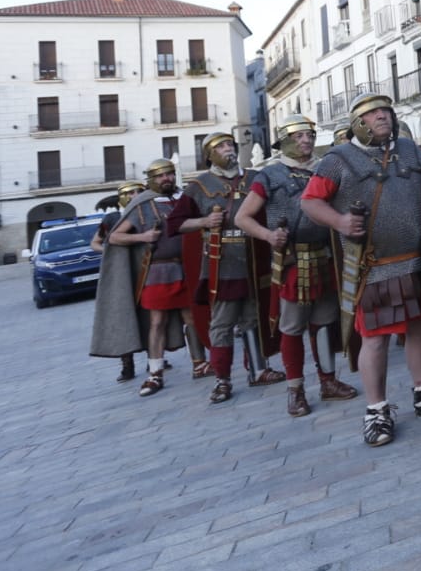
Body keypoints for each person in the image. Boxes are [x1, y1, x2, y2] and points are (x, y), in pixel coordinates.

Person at [302, 94, 421, 447]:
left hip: (418, 259)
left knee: (420, 327)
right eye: (373, 113)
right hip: (375, 265)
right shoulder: (338, 159)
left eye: (385, 111)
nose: (382, 117)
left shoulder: (409, 151)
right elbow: (310, 201)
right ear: (358, 122)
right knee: (375, 339)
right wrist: (341, 221)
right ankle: (376, 410)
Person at [235, 114, 358, 418]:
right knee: (292, 328)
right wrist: (268, 235)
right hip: (293, 261)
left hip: (325, 256)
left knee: (323, 324)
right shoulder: (270, 175)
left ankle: (328, 382)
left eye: (310, 136)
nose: (306, 141)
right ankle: (296, 391)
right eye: (298, 136)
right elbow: (242, 217)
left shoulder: (326, 168)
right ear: (284, 141)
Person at [167, 133, 283, 404]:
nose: (228, 149)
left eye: (230, 144)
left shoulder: (255, 177)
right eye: (221, 146)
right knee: (222, 322)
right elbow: (175, 224)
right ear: (209, 154)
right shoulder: (199, 186)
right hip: (222, 262)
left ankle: (258, 369)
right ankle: (222, 380)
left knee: (254, 316)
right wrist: (205, 221)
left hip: (255, 256)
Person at [109, 159, 197, 395]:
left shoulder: (186, 199)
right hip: (157, 271)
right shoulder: (141, 205)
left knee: (192, 318)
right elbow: (114, 237)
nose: (166, 179)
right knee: (157, 322)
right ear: (151, 180)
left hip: (187, 269)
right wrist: (142, 237)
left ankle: (200, 364)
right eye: (160, 176)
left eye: (169, 174)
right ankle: (155, 373)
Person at [88, 180, 148, 382]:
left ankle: (155, 358)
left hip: (143, 268)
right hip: (120, 273)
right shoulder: (113, 218)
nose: (134, 196)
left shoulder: (146, 213)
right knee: (122, 315)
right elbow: (95, 243)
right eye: (130, 193)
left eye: (139, 192)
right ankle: (127, 364)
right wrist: (111, 252)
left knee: (148, 312)